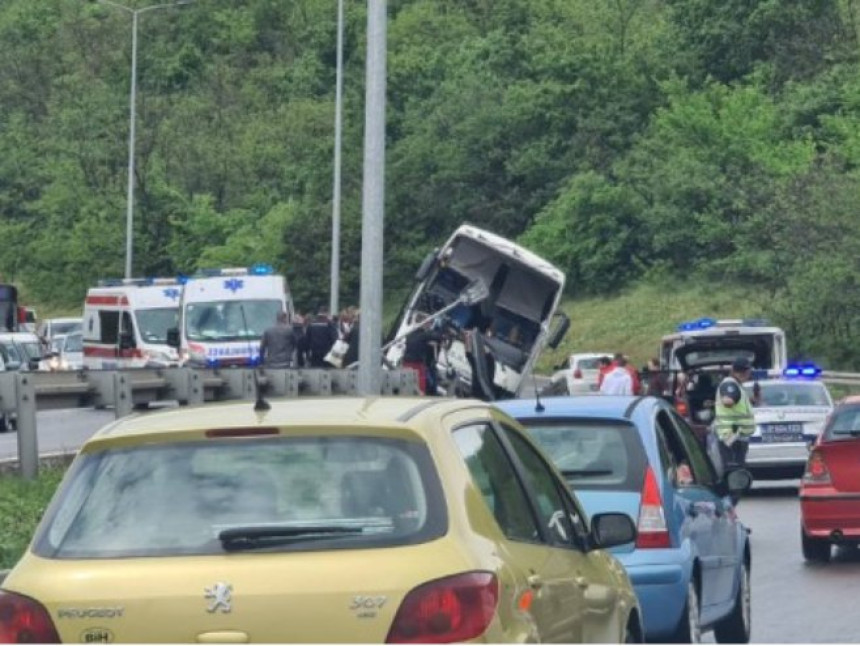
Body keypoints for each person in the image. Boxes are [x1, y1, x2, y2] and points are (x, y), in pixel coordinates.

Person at [713, 357, 756, 468]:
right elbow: (728, 400)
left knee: (737, 470)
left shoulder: (736, 385)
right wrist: (727, 401)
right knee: (734, 471)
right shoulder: (730, 384)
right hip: (732, 436)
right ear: (746, 372)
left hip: (735, 436)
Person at [402, 314, 442, 395]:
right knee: (421, 390)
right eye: (428, 323)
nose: (430, 325)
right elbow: (437, 337)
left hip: (406, 364)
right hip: (416, 366)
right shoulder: (423, 335)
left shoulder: (410, 334)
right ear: (424, 323)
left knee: (409, 390)